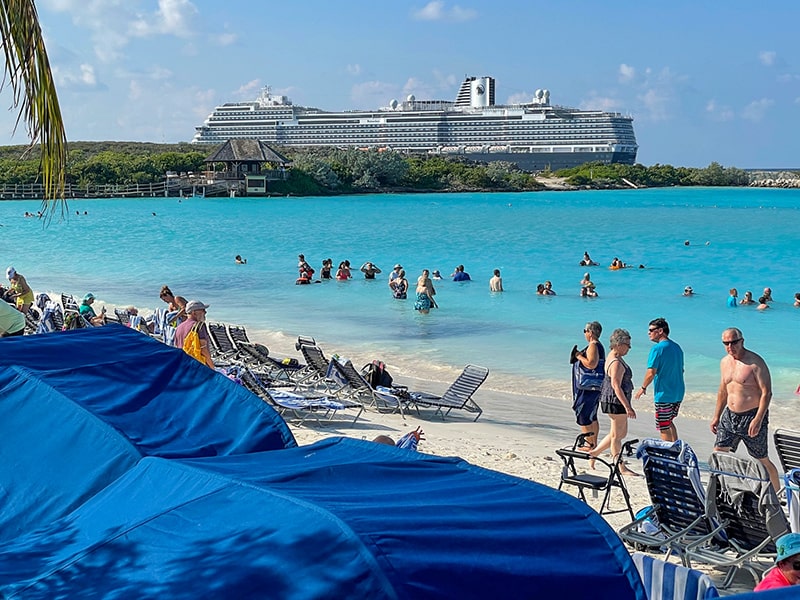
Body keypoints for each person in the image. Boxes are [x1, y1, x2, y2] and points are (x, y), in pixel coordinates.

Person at [711, 327, 781, 491]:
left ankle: (778, 494)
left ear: (742, 341)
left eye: (733, 342)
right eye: (726, 343)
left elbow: (767, 393)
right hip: (730, 415)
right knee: (718, 453)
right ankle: (724, 490)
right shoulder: (724, 362)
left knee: (761, 458)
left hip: (752, 415)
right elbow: (723, 391)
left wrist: (758, 419)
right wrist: (716, 416)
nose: (730, 347)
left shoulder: (755, 363)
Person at [590, 328, 637, 475]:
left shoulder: (613, 356)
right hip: (615, 401)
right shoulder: (615, 361)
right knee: (618, 436)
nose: (629, 348)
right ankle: (619, 466)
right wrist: (628, 407)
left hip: (612, 400)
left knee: (617, 433)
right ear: (618, 344)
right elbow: (616, 386)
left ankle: (594, 453)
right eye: (627, 345)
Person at [634, 317, 685, 442]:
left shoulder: (657, 349)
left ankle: (667, 453)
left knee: (663, 426)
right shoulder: (677, 347)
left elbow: (651, 372)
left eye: (651, 330)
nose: (648, 333)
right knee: (668, 422)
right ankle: (676, 449)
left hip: (664, 393)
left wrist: (643, 387)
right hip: (678, 392)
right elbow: (681, 370)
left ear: (660, 331)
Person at [571, 321, 605, 451]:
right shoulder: (598, 346)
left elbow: (591, 364)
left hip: (588, 386)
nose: (584, 333)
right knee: (592, 414)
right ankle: (593, 443)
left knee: (583, 413)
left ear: (590, 332)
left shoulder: (593, 345)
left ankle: (589, 444)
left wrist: (579, 356)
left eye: (585, 331)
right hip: (594, 386)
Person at [173, 300, 214, 369]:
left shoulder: (179, 327)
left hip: (183, 365)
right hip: (198, 367)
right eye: (202, 310)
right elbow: (203, 349)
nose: (205, 312)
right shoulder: (199, 326)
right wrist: (212, 367)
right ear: (194, 312)